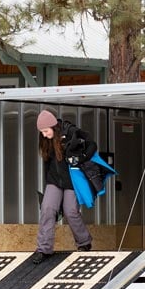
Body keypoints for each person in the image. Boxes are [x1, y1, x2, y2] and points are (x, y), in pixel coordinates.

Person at [31, 109, 94, 263]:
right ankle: (43, 249)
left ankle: (84, 242)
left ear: (53, 126)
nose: (44, 135)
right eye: (42, 132)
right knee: (47, 209)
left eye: (45, 131)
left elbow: (91, 143)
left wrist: (81, 157)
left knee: (70, 211)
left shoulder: (69, 131)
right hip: (54, 181)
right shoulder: (45, 140)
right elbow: (47, 163)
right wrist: (47, 185)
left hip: (71, 181)